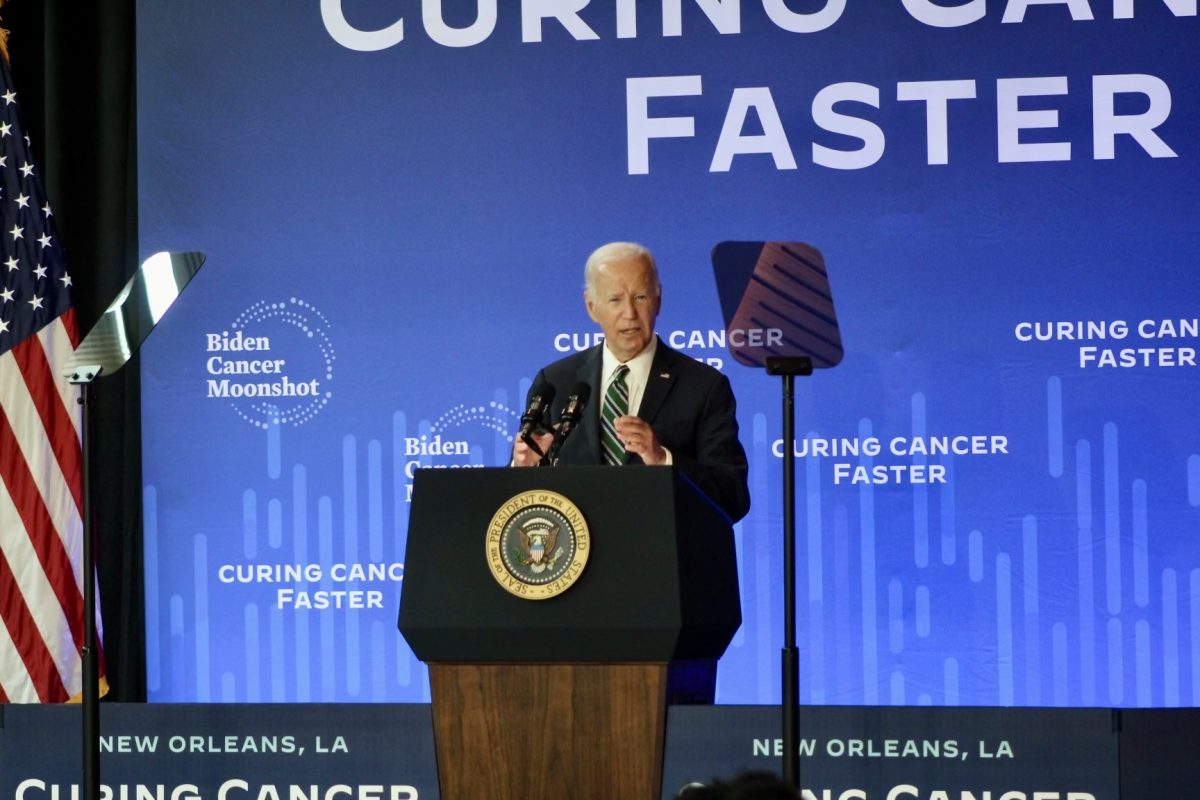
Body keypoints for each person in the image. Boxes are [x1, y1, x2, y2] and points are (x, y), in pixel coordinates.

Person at [512, 242, 750, 523]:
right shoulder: (555, 382)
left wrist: (663, 459)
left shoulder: (704, 387)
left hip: (666, 560)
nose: (630, 313)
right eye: (615, 299)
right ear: (591, 306)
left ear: (658, 300)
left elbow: (732, 496)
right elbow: (523, 506)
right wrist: (521, 468)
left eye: (640, 297)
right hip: (576, 560)